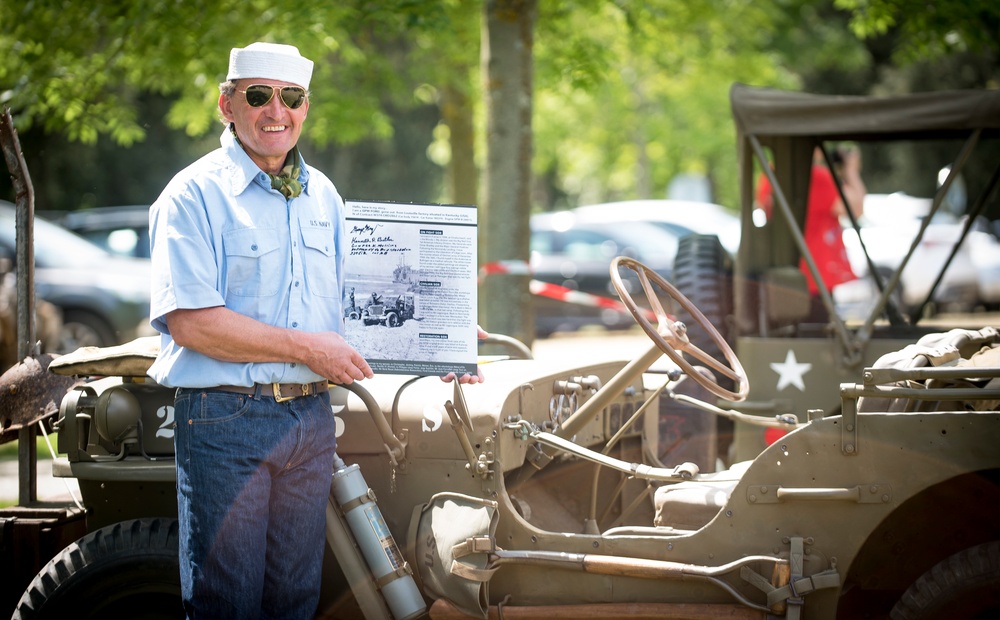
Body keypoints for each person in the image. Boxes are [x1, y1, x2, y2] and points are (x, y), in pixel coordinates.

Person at [148, 42, 482, 619]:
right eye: (258, 95)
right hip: (226, 422)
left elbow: (359, 303)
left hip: (310, 419)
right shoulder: (192, 195)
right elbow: (191, 323)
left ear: (305, 108)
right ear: (227, 105)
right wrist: (306, 348)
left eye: (291, 97)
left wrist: (438, 338)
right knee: (227, 604)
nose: (275, 109)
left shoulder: (322, 195)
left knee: (296, 602)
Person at [755, 146, 866, 319]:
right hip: (816, 275)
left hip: (785, 275)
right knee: (818, 333)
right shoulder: (818, 177)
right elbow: (856, 209)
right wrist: (851, 171)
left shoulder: (769, 175)